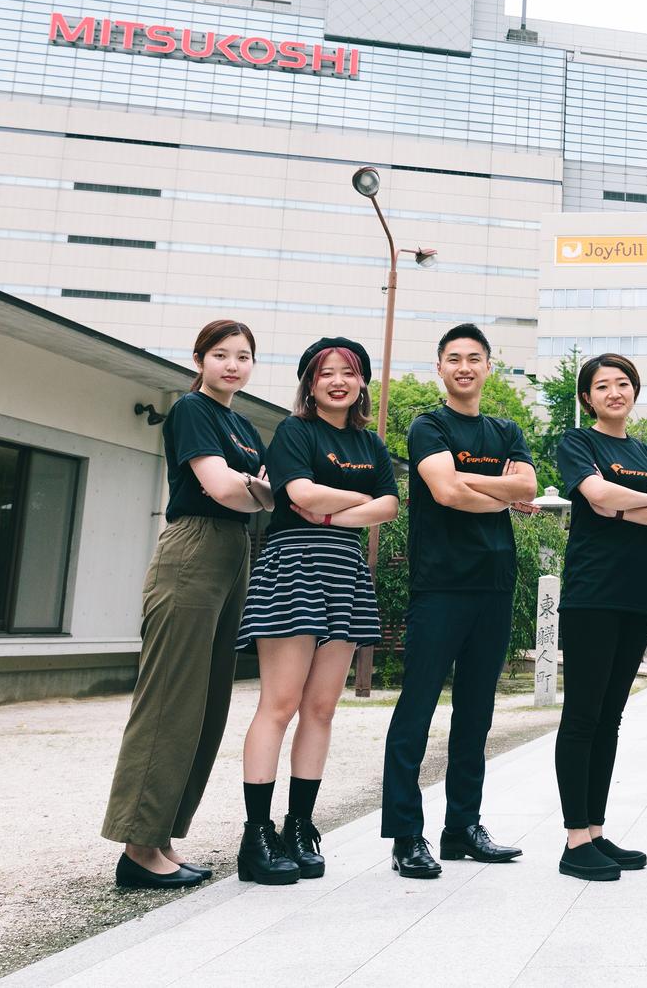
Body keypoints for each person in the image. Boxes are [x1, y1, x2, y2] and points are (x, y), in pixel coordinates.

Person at [103, 319, 271, 889]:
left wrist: (253, 488)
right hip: (194, 548)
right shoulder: (192, 410)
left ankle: (163, 837)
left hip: (234, 553)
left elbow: (263, 490)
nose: (232, 365)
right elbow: (224, 489)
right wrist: (255, 488)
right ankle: (137, 846)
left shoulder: (242, 425)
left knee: (209, 702)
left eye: (242, 356)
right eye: (220, 354)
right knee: (170, 700)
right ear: (199, 359)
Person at [233, 337, 397, 884]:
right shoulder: (295, 431)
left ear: (361, 382)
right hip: (295, 565)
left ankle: (299, 826)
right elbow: (299, 493)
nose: (337, 381)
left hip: (344, 569)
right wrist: (358, 501)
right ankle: (257, 836)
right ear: (310, 382)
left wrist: (331, 511)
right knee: (279, 705)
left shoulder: (370, 443)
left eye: (348, 372)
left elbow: (390, 506)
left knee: (321, 709)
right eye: (325, 372)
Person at [382, 324, 538, 879]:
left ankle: (462, 828)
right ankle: (406, 835)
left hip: (494, 584)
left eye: (475, 358)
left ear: (488, 367)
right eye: (454, 358)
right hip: (440, 585)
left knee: (476, 714)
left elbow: (528, 486)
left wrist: (478, 484)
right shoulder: (428, 425)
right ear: (440, 368)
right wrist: (499, 492)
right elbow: (445, 492)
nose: (465, 367)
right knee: (417, 709)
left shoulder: (506, 429)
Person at [552, 353, 647, 881]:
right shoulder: (578, 443)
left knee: (610, 717)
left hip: (636, 596)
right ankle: (574, 840)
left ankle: (597, 831)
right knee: (583, 714)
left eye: (622, 383)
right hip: (591, 594)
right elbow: (596, 495)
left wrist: (622, 507)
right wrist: (640, 502)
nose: (614, 392)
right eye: (602, 385)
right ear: (588, 398)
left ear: (634, 391)